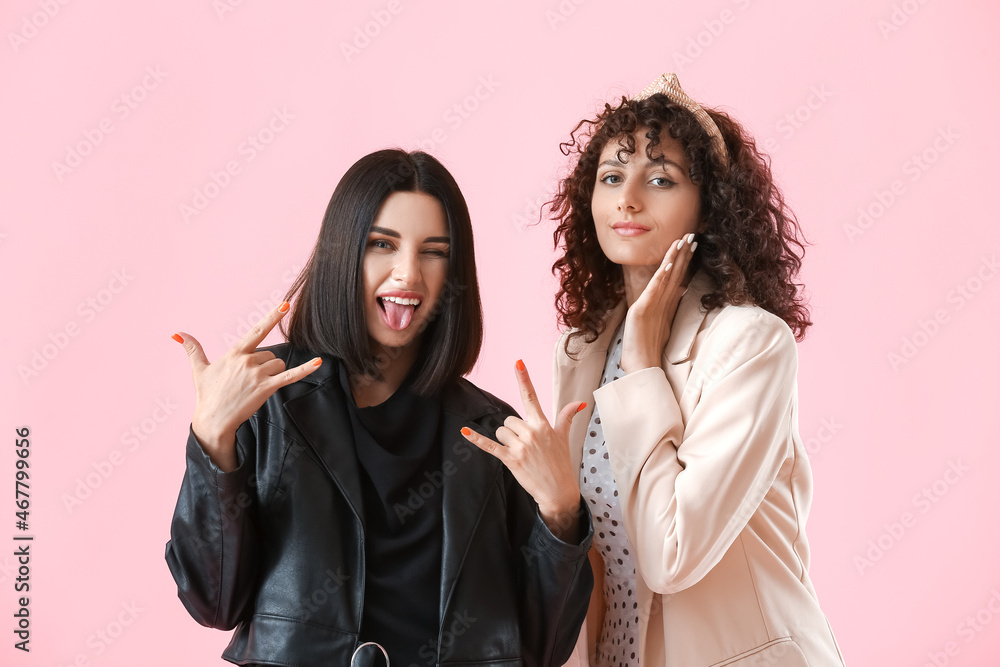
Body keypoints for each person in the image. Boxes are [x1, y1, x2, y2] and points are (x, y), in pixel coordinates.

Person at [164, 149, 594, 667]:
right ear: (344, 253)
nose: (408, 273)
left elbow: (543, 649)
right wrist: (212, 438)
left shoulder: (493, 434)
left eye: (434, 252)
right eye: (381, 245)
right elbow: (213, 603)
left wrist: (561, 514)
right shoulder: (266, 401)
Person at [489, 74, 847, 666]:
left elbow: (670, 556)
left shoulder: (750, 344)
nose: (628, 198)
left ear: (709, 208)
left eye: (660, 179)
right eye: (611, 177)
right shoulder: (581, 348)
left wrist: (641, 367)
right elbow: (596, 542)